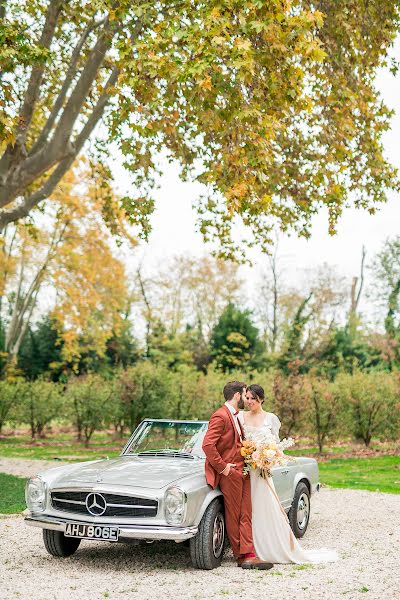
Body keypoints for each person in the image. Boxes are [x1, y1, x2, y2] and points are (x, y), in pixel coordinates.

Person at [239, 384, 338, 564]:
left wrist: (266, 458)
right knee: (247, 510)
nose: (250, 401)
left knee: (265, 507)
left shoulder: (270, 418)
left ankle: (270, 546)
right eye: (247, 398)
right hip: (245, 471)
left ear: (261, 399)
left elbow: (275, 447)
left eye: (253, 398)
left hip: (261, 472)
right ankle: (247, 547)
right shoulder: (241, 417)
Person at [202, 381, 272, 569]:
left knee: (245, 513)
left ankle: (249, 553)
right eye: (244, 394)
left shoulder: (235, 416)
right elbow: (208, 445)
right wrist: (224, 468)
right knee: (235, 515)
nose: (246, 397)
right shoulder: (220, 415)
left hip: (244, 470)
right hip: (231, 473)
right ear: (237, 396)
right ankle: (242, 556)